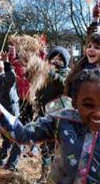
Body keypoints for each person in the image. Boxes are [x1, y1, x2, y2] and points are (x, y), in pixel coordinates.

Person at [33, 46, 72, 182]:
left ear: (65, 61)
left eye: (60, 59)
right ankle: (44, 176)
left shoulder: (67, 74)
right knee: (45, 148)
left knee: (58, 151)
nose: (57, 61)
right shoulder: (44, 73)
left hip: (59, 118)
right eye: (54, 58)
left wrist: (53, 74)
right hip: (44, 115)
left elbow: (64, 85)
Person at [0, 51, 21, 171]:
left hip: (2, 114)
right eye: (1, 60)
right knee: (18, 140)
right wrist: (7, 62)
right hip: (9, 114)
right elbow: (11, 79)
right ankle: (11, 165)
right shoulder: (1, 78)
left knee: (7, 140)